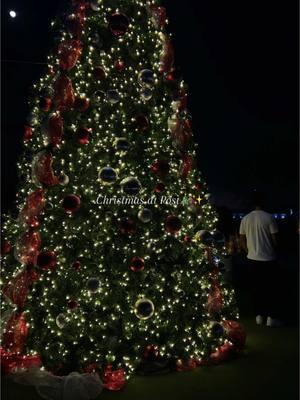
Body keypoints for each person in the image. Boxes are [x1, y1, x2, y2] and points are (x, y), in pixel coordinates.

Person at [239, 191, 282, 327]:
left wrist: (248, 250)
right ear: (264, 202)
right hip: (269, 258)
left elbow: (242, 239)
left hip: (252, 259)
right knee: (271, 289)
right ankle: (271, 317)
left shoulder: (245, 219)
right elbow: (276, 240)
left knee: (256, 289)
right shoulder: (269, 217)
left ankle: (259, 316)